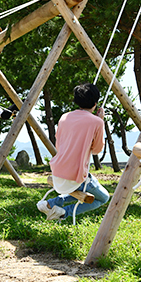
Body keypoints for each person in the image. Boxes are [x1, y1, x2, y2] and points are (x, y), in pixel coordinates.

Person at [37, 83, 110, 221]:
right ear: (96, 103)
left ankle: (50, 203)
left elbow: (59, 143)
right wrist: (100, 121)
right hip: (75, 175)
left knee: (86, 190)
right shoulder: (97, 122)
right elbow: (96, 150)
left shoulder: (65, 117)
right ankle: (64, 212)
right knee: (103, 197)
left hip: (57, 170)